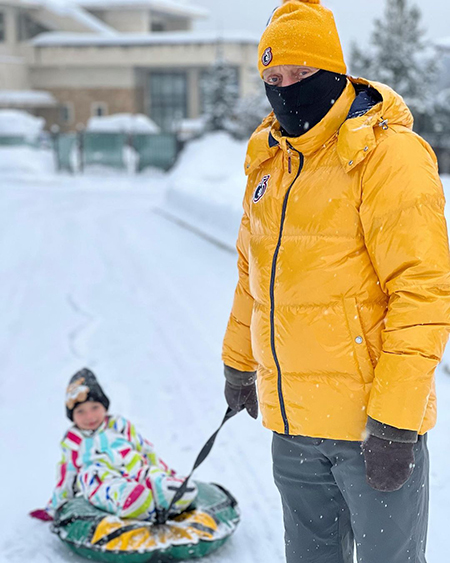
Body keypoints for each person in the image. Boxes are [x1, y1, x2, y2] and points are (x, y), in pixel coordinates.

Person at [222, 1, 450, 562]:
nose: (286, 88)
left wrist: (396, 422)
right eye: (273, 78)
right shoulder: (270, 162)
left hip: (371, 428)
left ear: (336, 73)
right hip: (293, 422)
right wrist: (237, 363)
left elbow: (422, 292)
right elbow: (252, 276)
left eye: (300, 74)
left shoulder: (388, 155)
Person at [32, 368, 197, 522]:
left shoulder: (119, 424)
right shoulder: (73, 440)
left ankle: (169, 492)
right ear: (72, 416)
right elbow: (66, 474)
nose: (89, 416)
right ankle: (131, 502)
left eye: (94, 407)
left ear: (104, 406)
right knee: (105, 488)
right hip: (100, 478)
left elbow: (145, 449)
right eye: (80, 411)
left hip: (133, 466)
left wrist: (166, 472)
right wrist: (54, 507)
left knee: (150, 473)